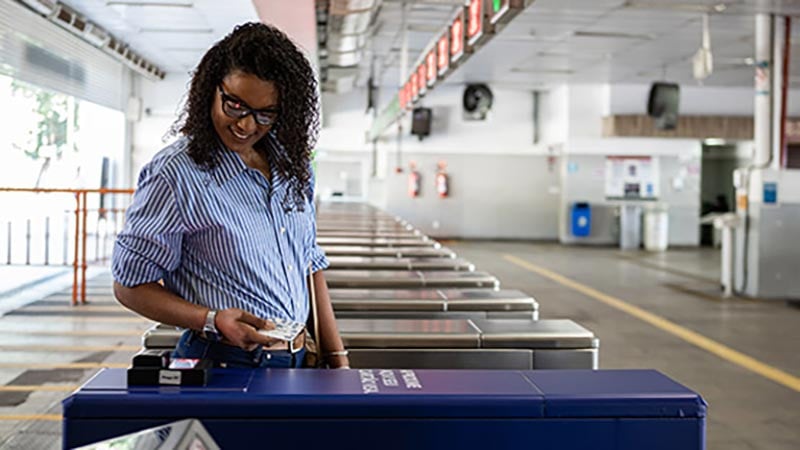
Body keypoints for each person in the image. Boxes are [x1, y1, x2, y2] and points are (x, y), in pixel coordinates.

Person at [112, 22, 349, 370]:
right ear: (211, 89)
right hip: (223, 360)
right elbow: (129, 285)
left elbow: (309, 264)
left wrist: (336, 357)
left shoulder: (292, 167)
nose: (246, 125)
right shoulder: (176, 175)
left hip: (300, 360)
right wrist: (211, 318)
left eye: (265, 114)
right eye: (234, 105)